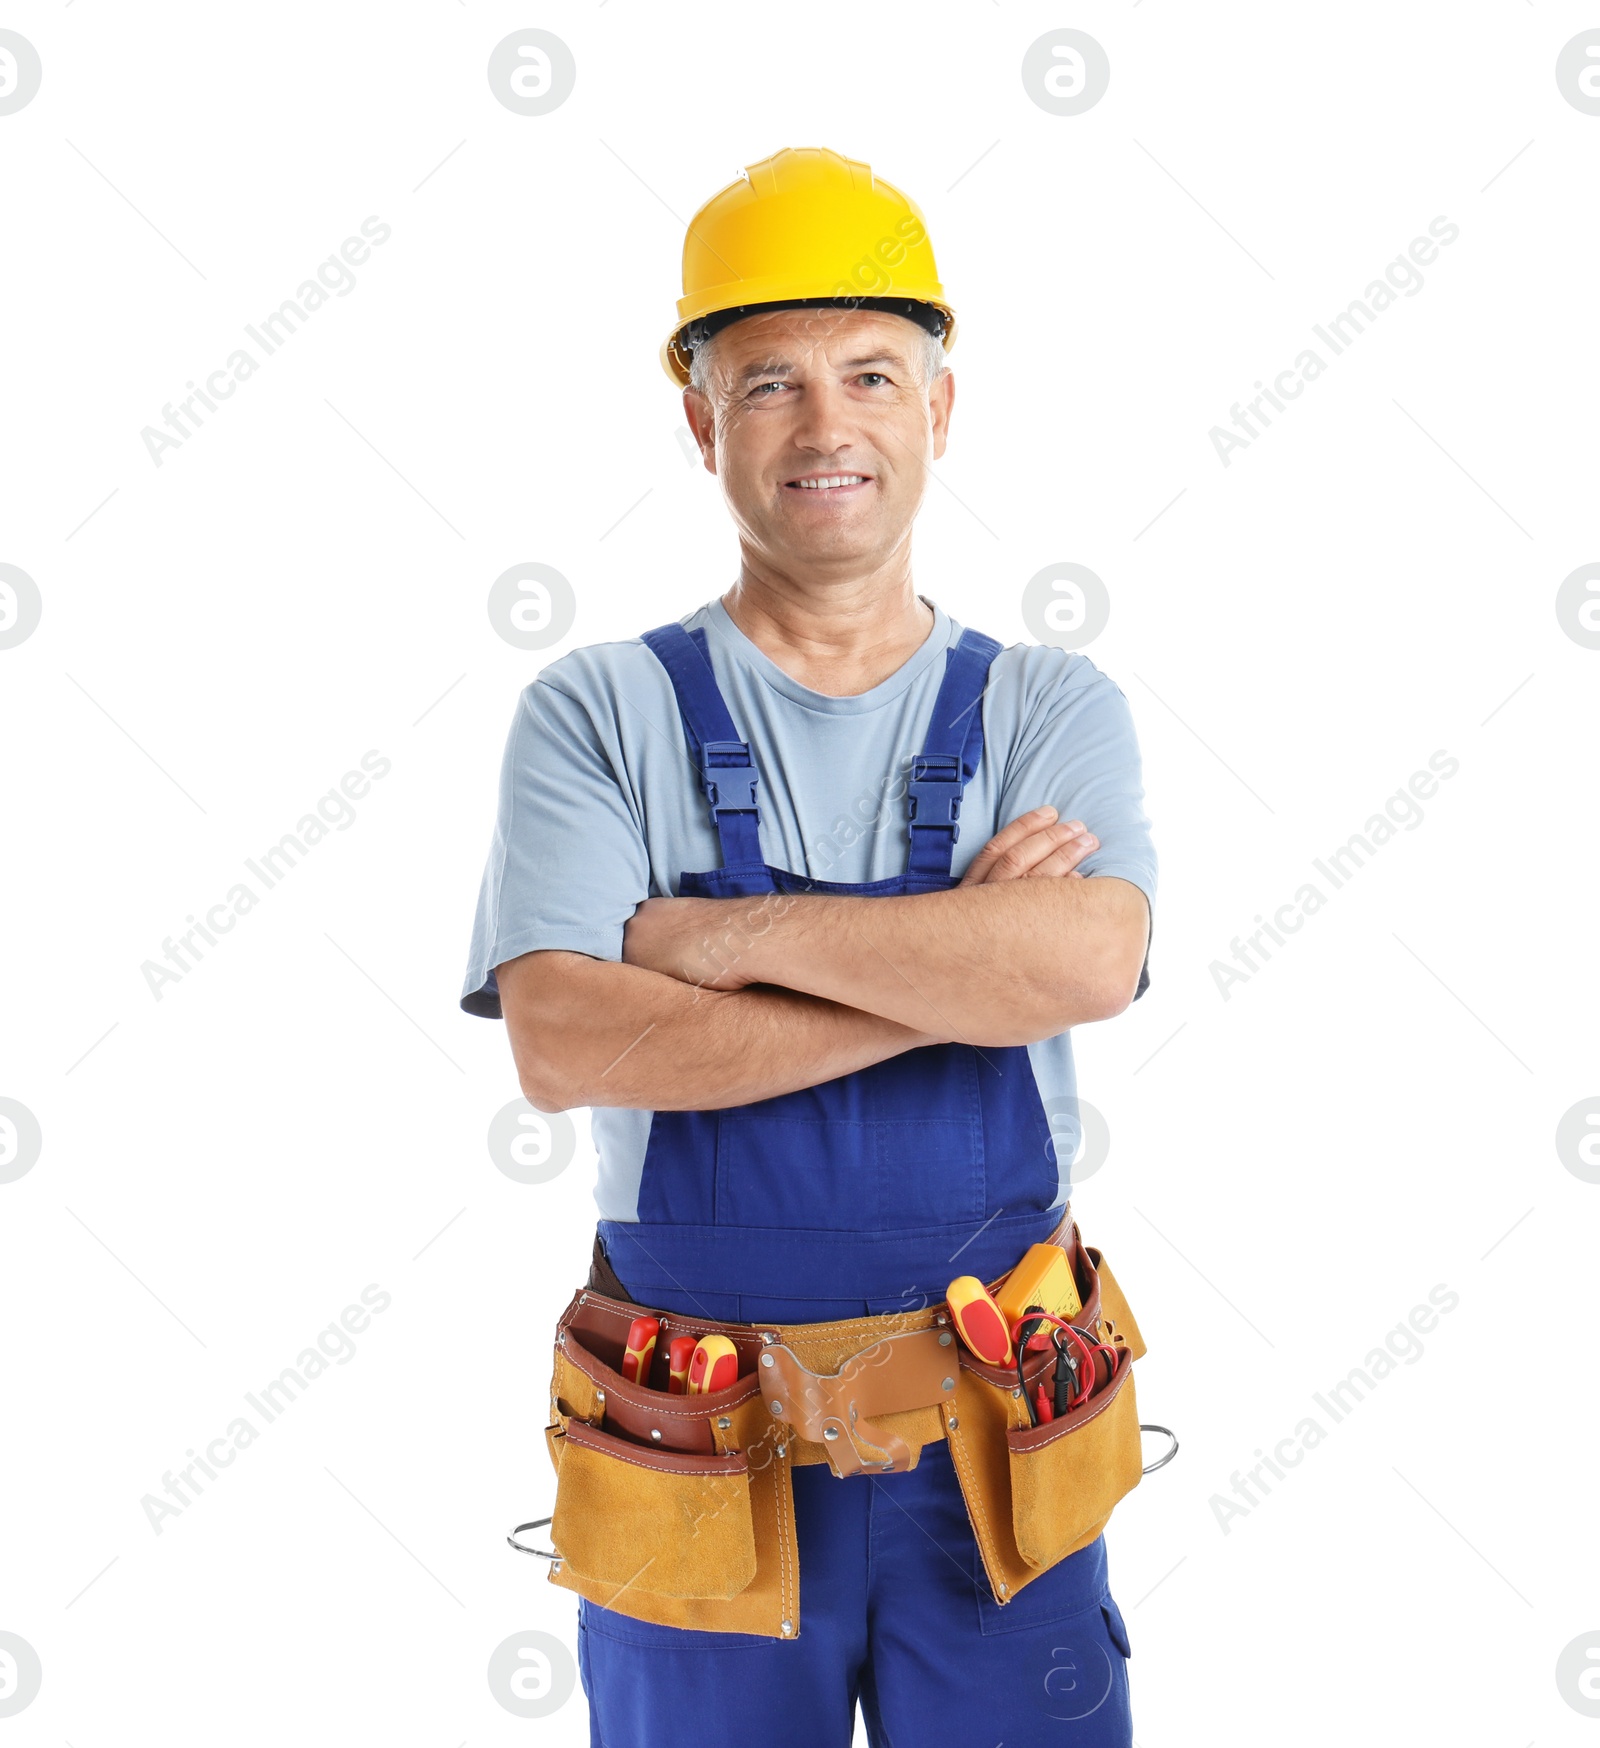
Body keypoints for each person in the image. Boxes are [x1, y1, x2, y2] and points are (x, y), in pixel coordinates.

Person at [462, 146, 1157, 1747]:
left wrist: (711, 943)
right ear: (700, 421)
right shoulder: (593, 713)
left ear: (941, 407)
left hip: (996, 1446)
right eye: (768, 382)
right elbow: (567, 1041)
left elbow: (1088, 965)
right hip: (697, 1451)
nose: (826, 426)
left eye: (870, 374)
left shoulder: (1050, 708)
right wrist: (957, 959)